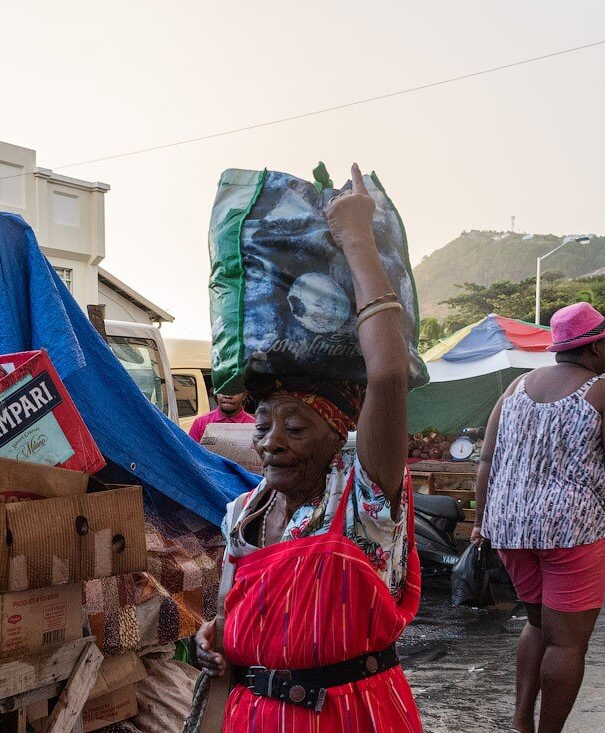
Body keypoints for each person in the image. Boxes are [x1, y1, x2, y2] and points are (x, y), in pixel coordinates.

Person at [194, 164, 423, 731]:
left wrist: (356, 240)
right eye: (265, 424)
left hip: (354, 717)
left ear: (338, 437)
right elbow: (234, 617)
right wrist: (216, 637)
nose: (271, 442)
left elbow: (388, 376)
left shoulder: (364, 502)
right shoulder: (243, 517)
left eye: (296, 429)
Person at [472, 302, 605, 733]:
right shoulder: (603, 391)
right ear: (596, 346)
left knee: (536, 624)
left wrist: (480, 520)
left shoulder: (515, 388)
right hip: (574, 529)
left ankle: (521, 722)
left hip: (511, 526)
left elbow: (487, 460)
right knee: (567, 642)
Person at [187, 391, 254, 443]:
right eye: (223, 391)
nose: (227, 396)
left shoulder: (255, 425)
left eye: (234, 392)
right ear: (216, 393)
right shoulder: (200, 423)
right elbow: (191, 454)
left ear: (244, 395)